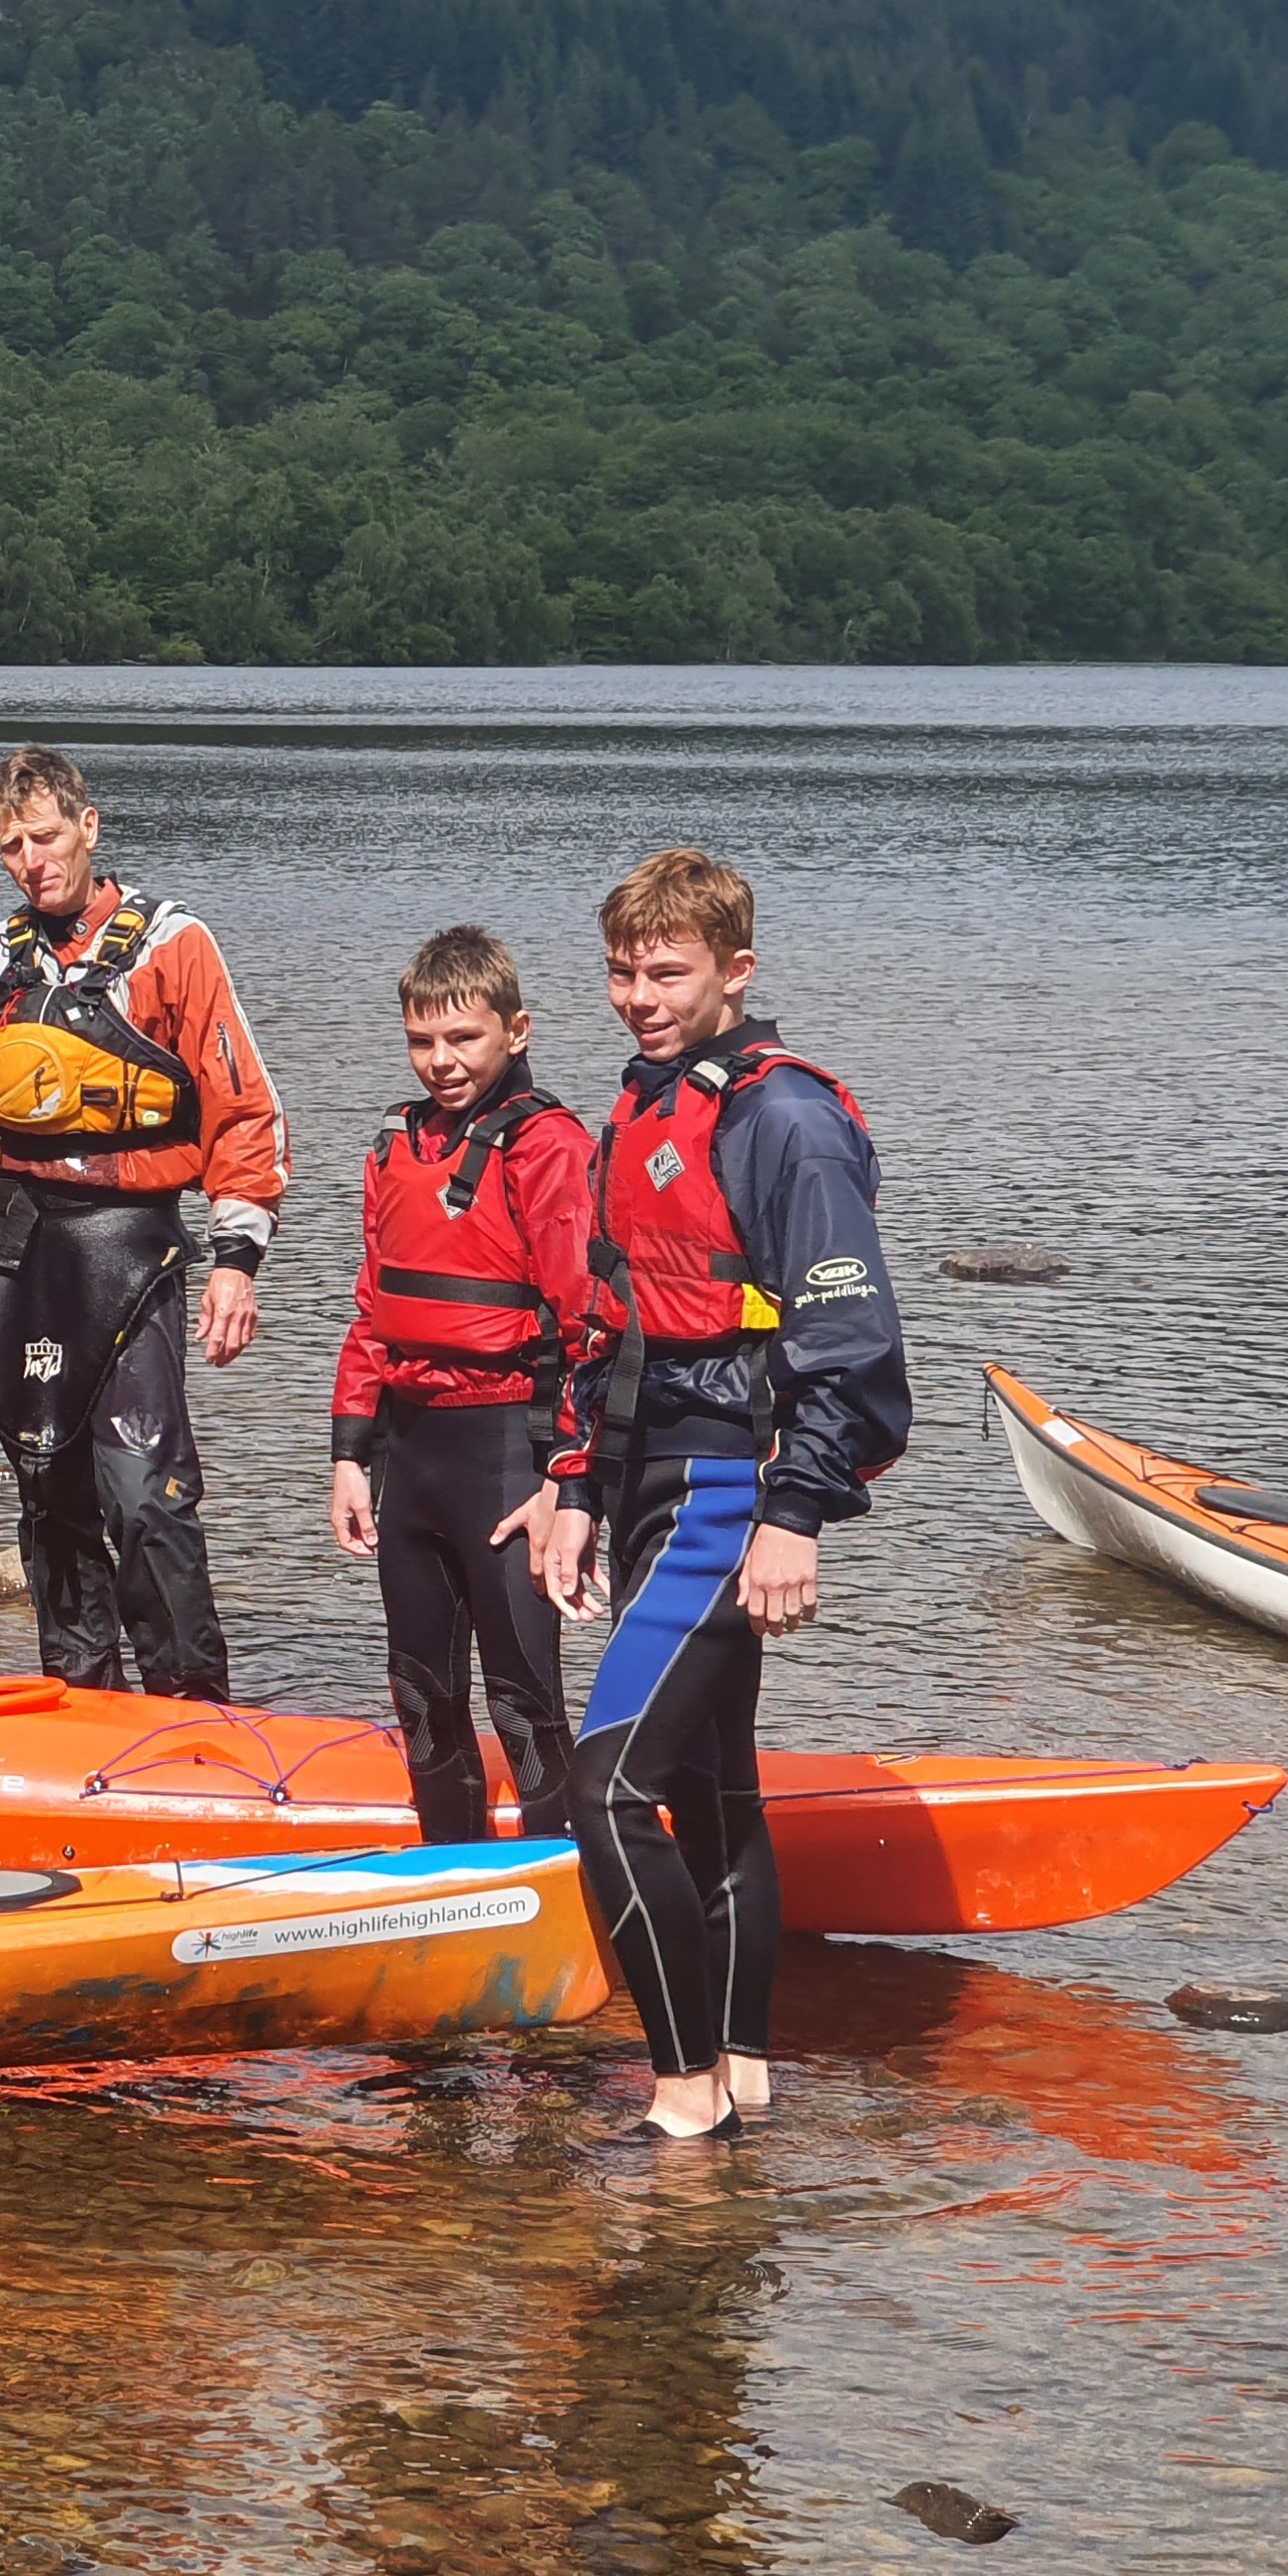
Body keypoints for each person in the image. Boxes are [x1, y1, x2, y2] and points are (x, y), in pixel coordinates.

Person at [533, 849, 909, 2145]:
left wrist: (795, 1511)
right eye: (624, 971)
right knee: (712, 1780)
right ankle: (743, 2070)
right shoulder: (641, 1106)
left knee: (610, 1788)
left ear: (736, 972)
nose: (640, 995)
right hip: (649, 1474)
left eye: (669, 972)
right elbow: (606, 1325)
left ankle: (685, 2099)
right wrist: (576, 1482)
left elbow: (853, 1350)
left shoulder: (785, 1122)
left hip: (727, 1488)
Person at [0, 744, 283, 1698]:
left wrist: (237, 1259)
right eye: (11, 845)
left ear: (88, 826)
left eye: (47, 835)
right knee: (50, 1493)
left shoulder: (173, 945)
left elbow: (241, 1109)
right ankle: (80, 1709)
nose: (32, 858)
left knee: (146, 1495)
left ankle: (193, 1714)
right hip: (21, 1253)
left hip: (133, 1247)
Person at [330, 924, 589, 1843]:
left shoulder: (548, 1147)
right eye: (421, 1040)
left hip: (506, 1460)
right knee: (423, 1698)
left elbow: (589, 1324)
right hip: (412, 1458)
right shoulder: (394, 1147)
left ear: (516, 1030)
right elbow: (372, 1310)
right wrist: (352, 1454)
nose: (440, 1062)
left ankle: (569, 1888)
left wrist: (568, 1479)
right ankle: (451, 1891)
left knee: (523, 1703)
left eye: (463, 1038)